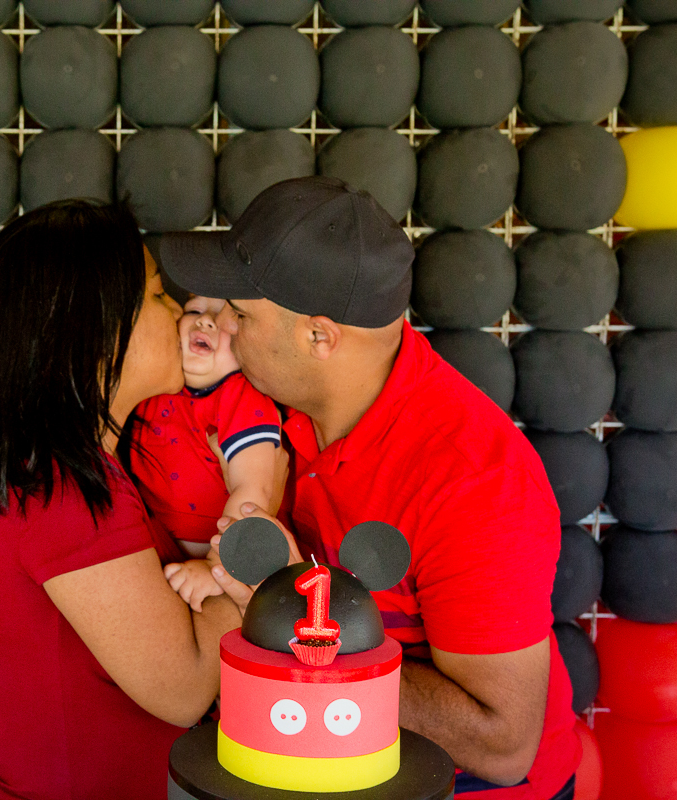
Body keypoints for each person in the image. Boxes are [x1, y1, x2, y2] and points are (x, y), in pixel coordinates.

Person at [157, 176, 580, 800]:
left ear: (319, 337)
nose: (222, 328)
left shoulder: (473, 482)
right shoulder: (276, 401)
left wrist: (291, 616)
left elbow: (501, 744)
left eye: (241, 315)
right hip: (323, 764)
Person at [0, 200, 244, 800]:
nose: (180, 312)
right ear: (94, 333)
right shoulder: (60, 490)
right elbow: (184, 687)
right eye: (158, 295)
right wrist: (245, 567)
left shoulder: (63, 471)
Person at [128, 293, 283, 612]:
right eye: (195, 310)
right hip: (152, 550)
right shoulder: (153, 387)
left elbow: (253, 489)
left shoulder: (240, 398)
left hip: (218, 556)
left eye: (225, 316)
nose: (206, 320)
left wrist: (220, 564)